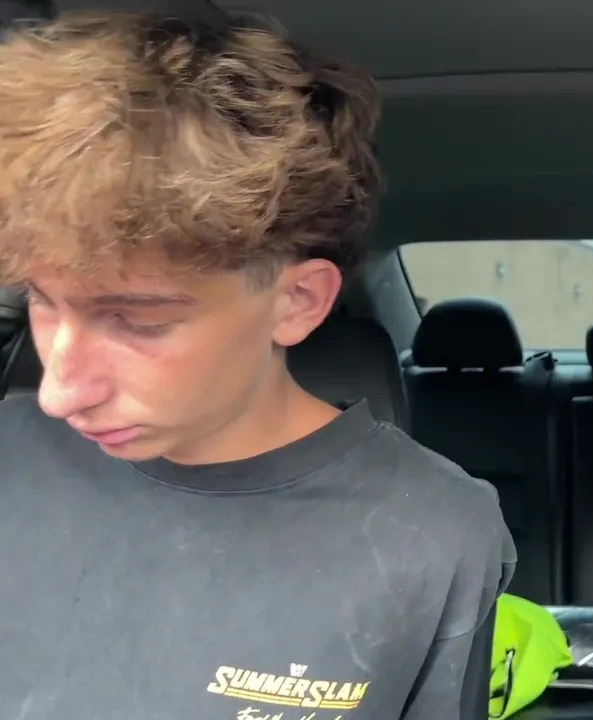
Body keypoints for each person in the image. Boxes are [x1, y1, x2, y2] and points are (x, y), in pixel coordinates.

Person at [0, 11, 515, 719]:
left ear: (297, 302)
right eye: (42, 299)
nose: (59, 392)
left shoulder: (436, 532)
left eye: (138, 320)